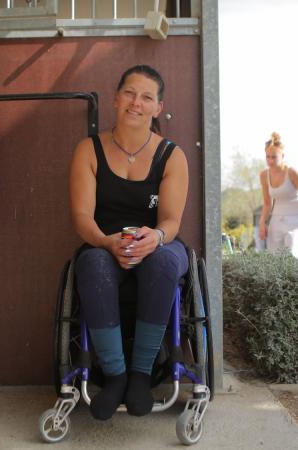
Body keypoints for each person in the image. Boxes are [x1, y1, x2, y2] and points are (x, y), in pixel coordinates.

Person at [68, 65, 189, 420]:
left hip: (160, 244)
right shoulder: (88, 150)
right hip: (105, 243)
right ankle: (116, 376)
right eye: (130, 94)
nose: (137, 103)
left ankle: (140, 375)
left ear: (157, 107)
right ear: (116, 98)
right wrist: (107, 243)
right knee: (90, 264)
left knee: (164, 262)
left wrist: (156, 238)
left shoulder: (172, 155)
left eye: (146, 97)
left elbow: (170, 220)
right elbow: (81, 218)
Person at [258, 132, 298, 258]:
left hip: (296, 219)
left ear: (282, 155)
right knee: (274, 258)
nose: (270, 160)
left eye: (274, 157)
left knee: (292, 256)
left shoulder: (292, 172)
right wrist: (262, 223)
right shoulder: (264, 175)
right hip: (276, 220)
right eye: (267, 157)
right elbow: (268, 203)